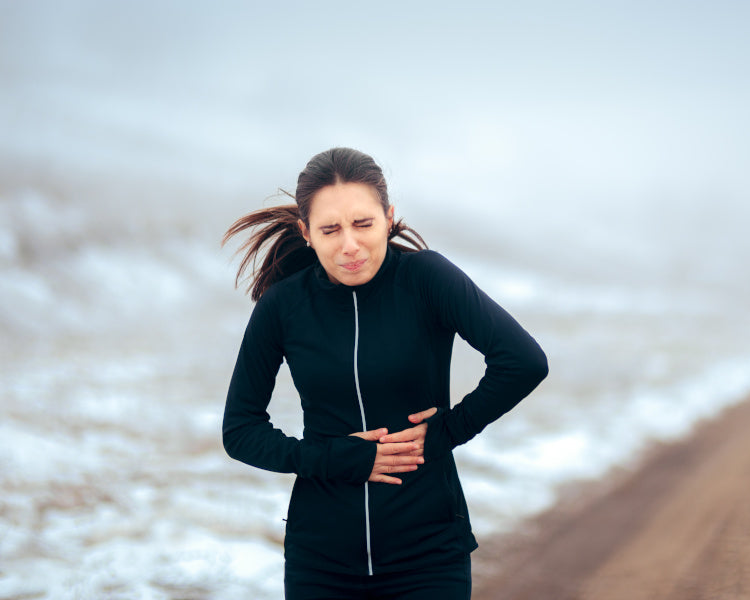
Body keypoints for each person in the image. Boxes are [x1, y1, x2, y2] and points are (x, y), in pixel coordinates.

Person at [222, 147, 548, 599]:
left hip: (428, 553)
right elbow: (240, 430)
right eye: (330, 229)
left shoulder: (426, 280)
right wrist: (332, 458)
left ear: (389, 217)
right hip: (321, 560)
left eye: (363, 224)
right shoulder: (284, 306)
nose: (349, 245)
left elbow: (523, 361)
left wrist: (444, 433)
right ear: (307, 232)